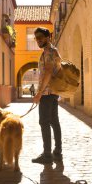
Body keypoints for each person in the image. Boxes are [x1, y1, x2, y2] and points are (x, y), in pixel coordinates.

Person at [32, 27, 62, 164]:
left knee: (44, 122)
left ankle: (47, 155)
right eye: (36, 38)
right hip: (52, 92)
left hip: (47, 93)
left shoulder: (49, 51)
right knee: (54, 121)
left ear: (48, 37)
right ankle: (57, 152)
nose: (38, 40)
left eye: (40, 37)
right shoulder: (50, 50)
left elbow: (48, 73)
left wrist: (39, 93)